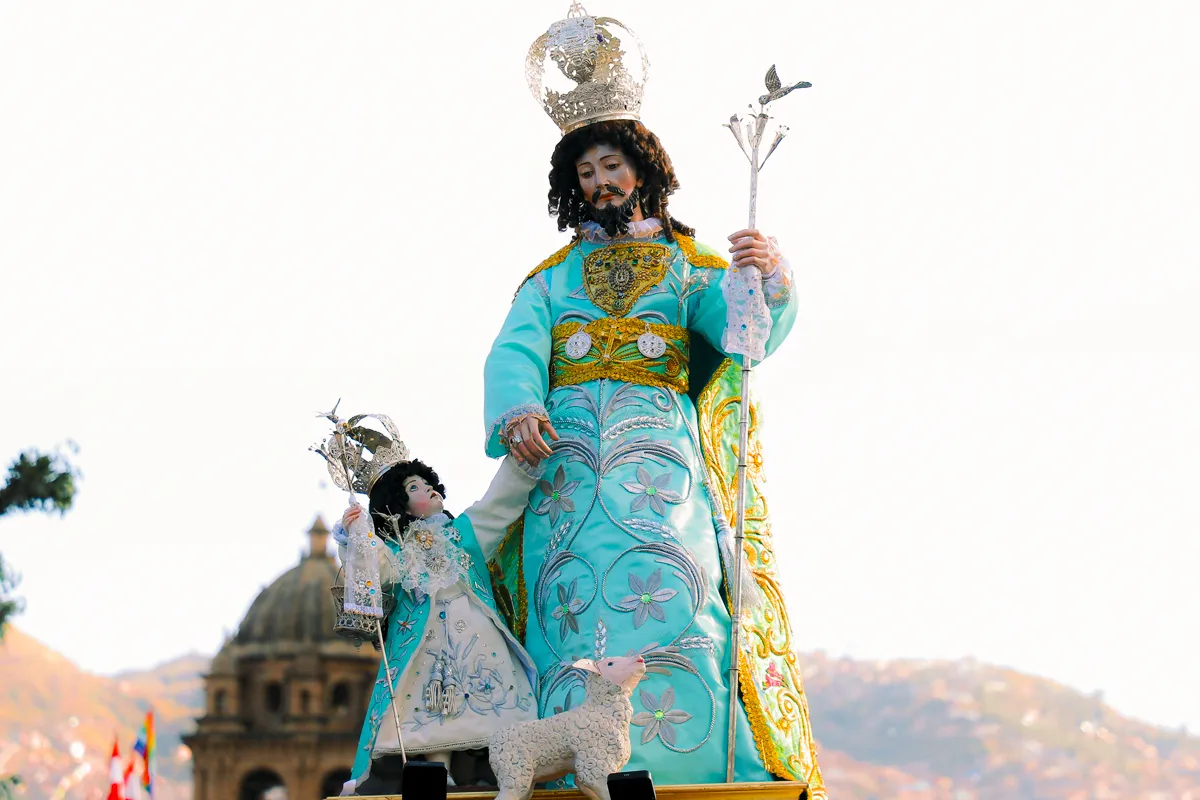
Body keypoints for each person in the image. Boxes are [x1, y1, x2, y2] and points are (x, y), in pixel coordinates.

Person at [480, 7, 825, 793]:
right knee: (568, 604)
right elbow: (514, 350)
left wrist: (764, 273)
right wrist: (519, 410)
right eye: (585, 175)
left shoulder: (689, 265)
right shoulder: (548, 279)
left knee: (679, 590)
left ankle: (696, 758)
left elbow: (744, 340)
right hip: (567, 474)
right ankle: (573, 757)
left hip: (661, 468)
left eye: (609, 166)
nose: (599, 183)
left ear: (641, 167)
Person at [335, 455, 539, 795]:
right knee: (429, 707)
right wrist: (356, 533)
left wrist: (520, 465)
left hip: (479, 637)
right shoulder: (400, 551)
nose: (427, 488)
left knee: (496, 701)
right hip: (424, 643)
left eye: (427, 482)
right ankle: (436, 769)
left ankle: (504, 764)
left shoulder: (463, 533)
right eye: (414, 487)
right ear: (402, 506)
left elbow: (498, 502)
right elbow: (377, 569)